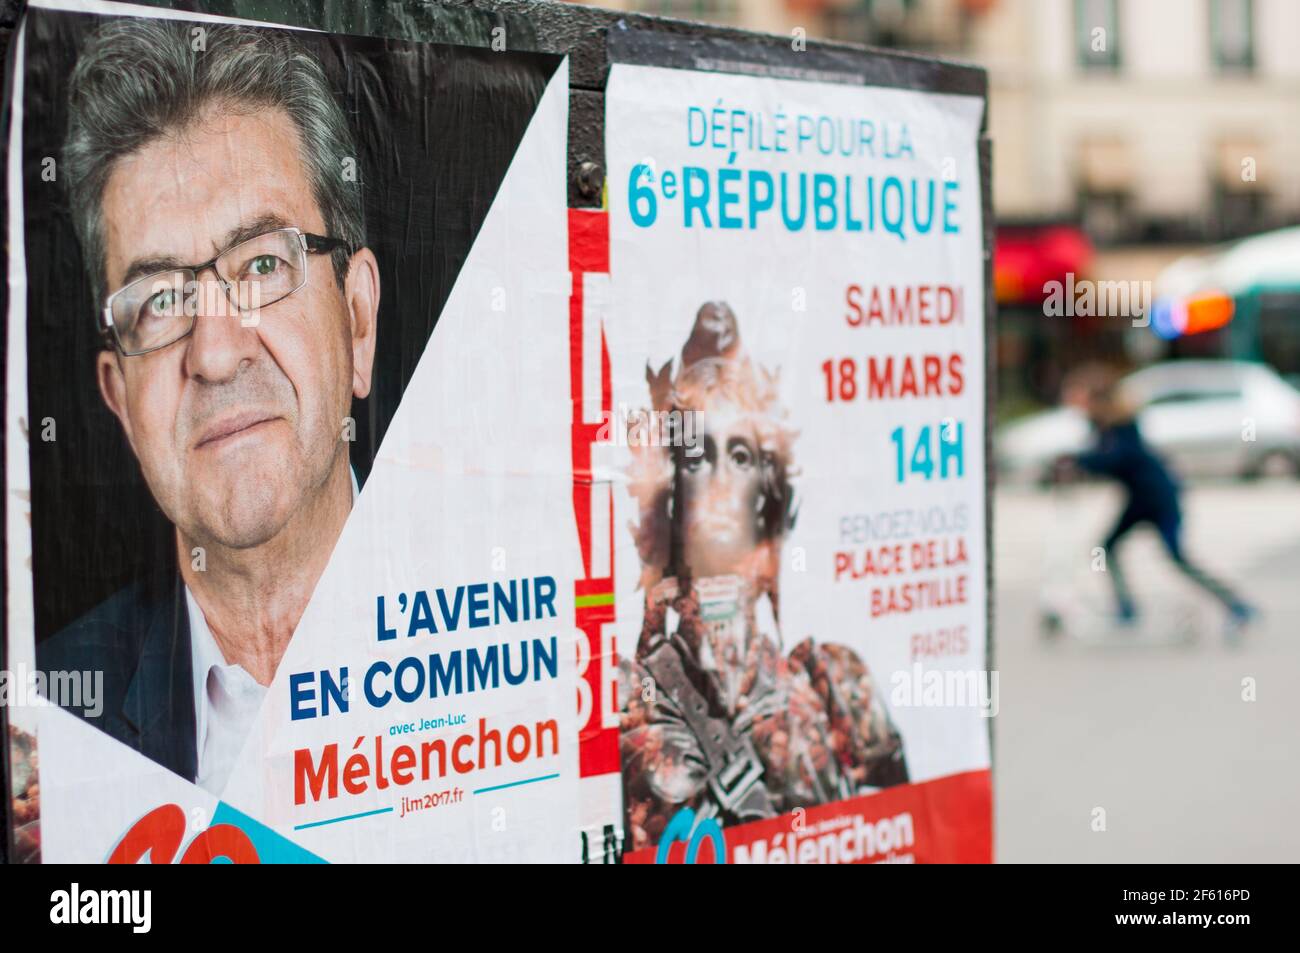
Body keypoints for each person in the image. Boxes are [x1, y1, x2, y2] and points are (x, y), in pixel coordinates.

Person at [38, 19, 381, 792]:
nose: (216, 353)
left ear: (357, 322)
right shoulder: (47, 720)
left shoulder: (525, 631)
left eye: (262, 262)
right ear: (120, 399)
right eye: (161, 299)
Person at [618, 302, 908, 853]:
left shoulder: (834, 685)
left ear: (769, 498)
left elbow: (905, 835)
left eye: (743, 456)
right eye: (697, 455)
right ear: (670, 490)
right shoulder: (634, 701)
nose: (722, 479)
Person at [1062, 364, 1255, 637]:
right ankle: (1126, 608)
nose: (1074, 403)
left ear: (1095, 398)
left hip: (1159, 497)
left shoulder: (1122, 424)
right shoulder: (1102, 426)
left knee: (1177, 558)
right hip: (1139, 499)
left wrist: (1080, 461)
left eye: (1078, 396)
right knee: (1107, 548)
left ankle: (1237, 604)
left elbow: (1117, 458)